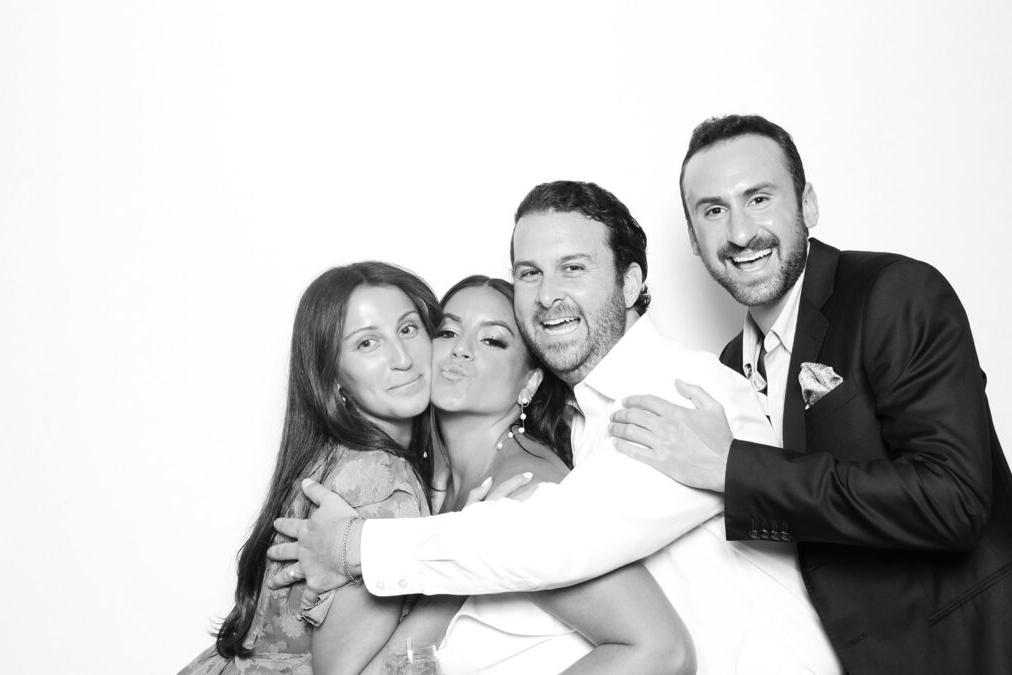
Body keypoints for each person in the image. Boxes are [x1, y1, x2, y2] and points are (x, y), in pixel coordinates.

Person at [268, 182, 843, 673]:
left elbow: (558, 542)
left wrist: (352, 544)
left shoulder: (679, 392)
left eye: (574, 268)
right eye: (530, 273)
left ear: (630, 283)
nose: (547, 295)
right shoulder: (577, 425)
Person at [609, 114, 1012, 674]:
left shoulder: (894, 293)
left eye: (758, 199)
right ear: (694, 241)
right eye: (713, 211)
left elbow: (953, 500)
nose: (740, 233)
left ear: (808, 205)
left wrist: (731, 468)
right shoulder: (726, 368)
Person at [366, 275, 695, 674]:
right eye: (448, 332)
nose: (461, 349)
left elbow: (663, 651)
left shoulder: (529, 490)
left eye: (492, 340)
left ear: (530, 382)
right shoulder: (428, 487)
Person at [180, 262, 438, 675]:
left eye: (408, 329)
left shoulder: (339, 457)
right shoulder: (379, 479)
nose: (403, 359)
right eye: (367, 343)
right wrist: (458, 590)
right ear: (333, 377)